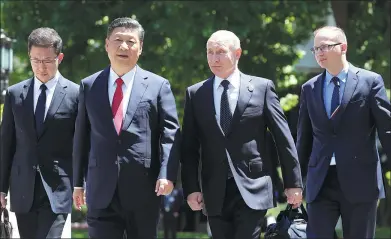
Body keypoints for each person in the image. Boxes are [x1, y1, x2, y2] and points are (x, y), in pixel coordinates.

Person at [180, 30, 303, 239]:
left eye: (220, 52)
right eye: (210, 52)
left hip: (253, 185)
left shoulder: (261, 88)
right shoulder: (195, 94)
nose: (214, 58)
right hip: (214, 190)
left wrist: (293, 184)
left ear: (237, 53)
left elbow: (283, 139)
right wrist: (191, 188)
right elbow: (189, 147)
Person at [72, 17, 181, 238]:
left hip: (144, 189)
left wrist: (167, 174)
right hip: (100, 189)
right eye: (118, 40)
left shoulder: (158, 86)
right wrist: (77, 183)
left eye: (131, 42)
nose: (123, 46)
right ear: (106, 45)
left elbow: (170, 134)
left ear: (140, 48)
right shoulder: (89, 85)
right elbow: (81, 137)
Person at [296, 26, 391, 239]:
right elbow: (304, 139)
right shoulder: (309, 88)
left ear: (343, 47)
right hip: (320, 181)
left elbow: (387, 129)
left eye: (325, 47)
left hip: (360, 180)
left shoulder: (370, 81)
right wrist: (294, 182)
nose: (319, 53)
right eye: (316, 49)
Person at [0, 27, 78, 238]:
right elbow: (6, 144)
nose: (41, 67)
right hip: (23, 187)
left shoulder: (76, 94)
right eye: (36, 60)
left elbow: (81, 144)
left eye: (47, 61)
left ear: (59, 58)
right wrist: (1, 188)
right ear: (29, 57)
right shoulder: (15, 94)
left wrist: (82, 184)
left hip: (58, 188)